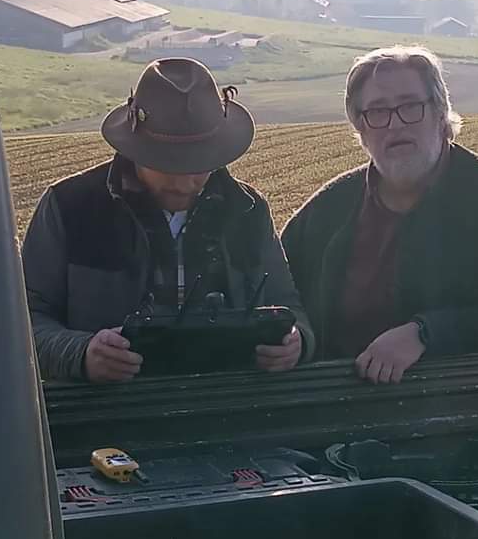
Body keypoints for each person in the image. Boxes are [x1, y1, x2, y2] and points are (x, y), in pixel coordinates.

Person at [22, 57, 313, 382]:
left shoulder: (248, 210)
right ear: (134, 148)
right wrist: (82, 353)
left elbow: (286, 304)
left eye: (199, 164)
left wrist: (295, 343)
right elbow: (22, 321)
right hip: (103, 414)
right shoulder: (68, 207)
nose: (183, 180)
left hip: (225, 409)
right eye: (167, 163)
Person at [281, 45, 478, 384]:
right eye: (377, 112)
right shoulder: (324, 212)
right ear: (361, 129)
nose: (395, 124)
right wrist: (296, 340)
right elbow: (286, 300)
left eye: (410, 106)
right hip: (335, 406)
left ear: (440, 112)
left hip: (459, 407)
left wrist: (424, 333)